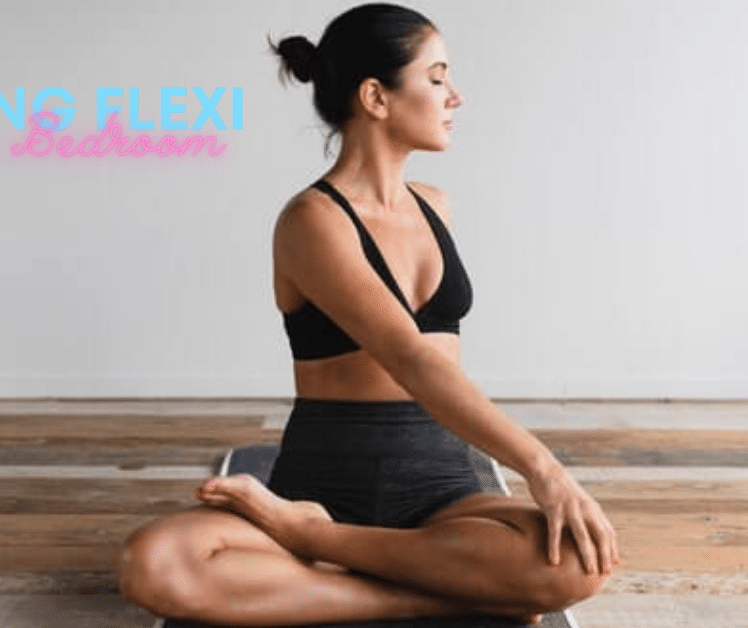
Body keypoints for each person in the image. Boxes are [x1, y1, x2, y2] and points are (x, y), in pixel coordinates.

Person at [117, 3, 621, 625]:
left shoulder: (436, 206)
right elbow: (408, 355)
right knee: (156, 563)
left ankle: (321, 547)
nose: (454, 96)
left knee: (580, 559)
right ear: (376, 96)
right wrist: (543, 468)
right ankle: (412, 578)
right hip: (321, 481)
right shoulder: (311, 220)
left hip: (439, 487)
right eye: (436, 78)